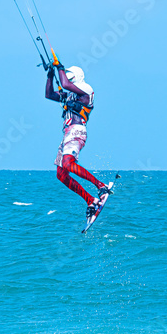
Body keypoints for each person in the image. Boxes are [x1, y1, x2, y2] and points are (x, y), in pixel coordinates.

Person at [45, 62, 111, 218]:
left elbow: (65, 83)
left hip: (77, 131)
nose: (66, 76)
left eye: (68, 74)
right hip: (66, 134)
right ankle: (90, 200)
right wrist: (49, 74)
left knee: (68, 162)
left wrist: (59, 67)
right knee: (61, 175)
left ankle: (101, 186)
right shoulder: (69, 95)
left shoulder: (86, 90)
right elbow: (49, 95)